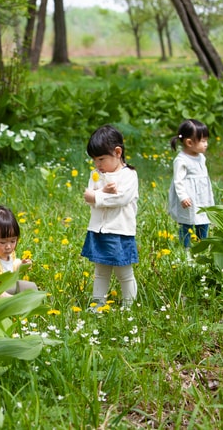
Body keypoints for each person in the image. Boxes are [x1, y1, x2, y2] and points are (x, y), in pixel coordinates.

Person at [81, 124, 139, 309]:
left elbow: (121, 198)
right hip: (99, 230)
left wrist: (98, 195)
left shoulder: (129, 175)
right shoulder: (96, 174)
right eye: (94, 160)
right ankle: (98, 303)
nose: (97, 164)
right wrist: (102, 192)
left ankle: (128, 306)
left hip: (120, 230)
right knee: (100, 271)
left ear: (117, 152)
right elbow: (89, 196)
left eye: (101, 159)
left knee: (124, 271)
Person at [168, 119, 215, 249]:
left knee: (203, 218)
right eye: (203, 141)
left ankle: (202, 245)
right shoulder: (181, 160)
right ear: (189, 142)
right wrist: (183, 196)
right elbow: (178, 180)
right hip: (189, 197)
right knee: (187, 221)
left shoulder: (201, 157)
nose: (206, 144)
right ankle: (186, 247)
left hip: (202, 195)